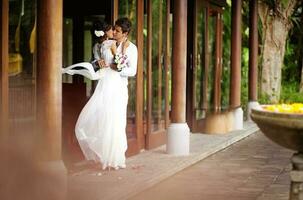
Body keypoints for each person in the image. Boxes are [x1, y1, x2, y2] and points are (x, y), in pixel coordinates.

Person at [75, 17, 138, 170]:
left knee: (116, 123)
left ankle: (115, 159)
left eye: (117, 31)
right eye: (114, 29)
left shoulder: (131, 48)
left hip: (119, 89)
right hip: (104, 87)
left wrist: (120, 68)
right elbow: (96, 63)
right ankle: (103, 156)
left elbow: (132, 71)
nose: (113, 32)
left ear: (125, 33)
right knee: (100, 120)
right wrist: (98, 64)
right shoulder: (105, 44)